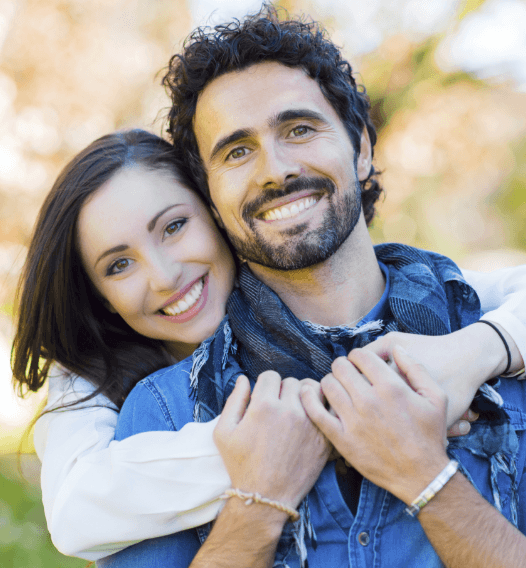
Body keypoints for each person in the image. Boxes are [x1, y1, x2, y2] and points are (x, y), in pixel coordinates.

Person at [101, 6, 526, 568]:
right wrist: (258, 506)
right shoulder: (165, 413)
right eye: (237, 151)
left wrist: (426, 479)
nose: (274, 169)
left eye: (299, 129)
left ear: (362, 148)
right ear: (210, 199)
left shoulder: (496, 354)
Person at [14, 132, 526, 568]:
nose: (164, 276)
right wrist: (296, 441)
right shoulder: (122, 397)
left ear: (218, 212)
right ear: (98, 297)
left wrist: (480, 350)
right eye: (118, 265)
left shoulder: (425, 300)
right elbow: (76, 511)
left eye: (173, 227)